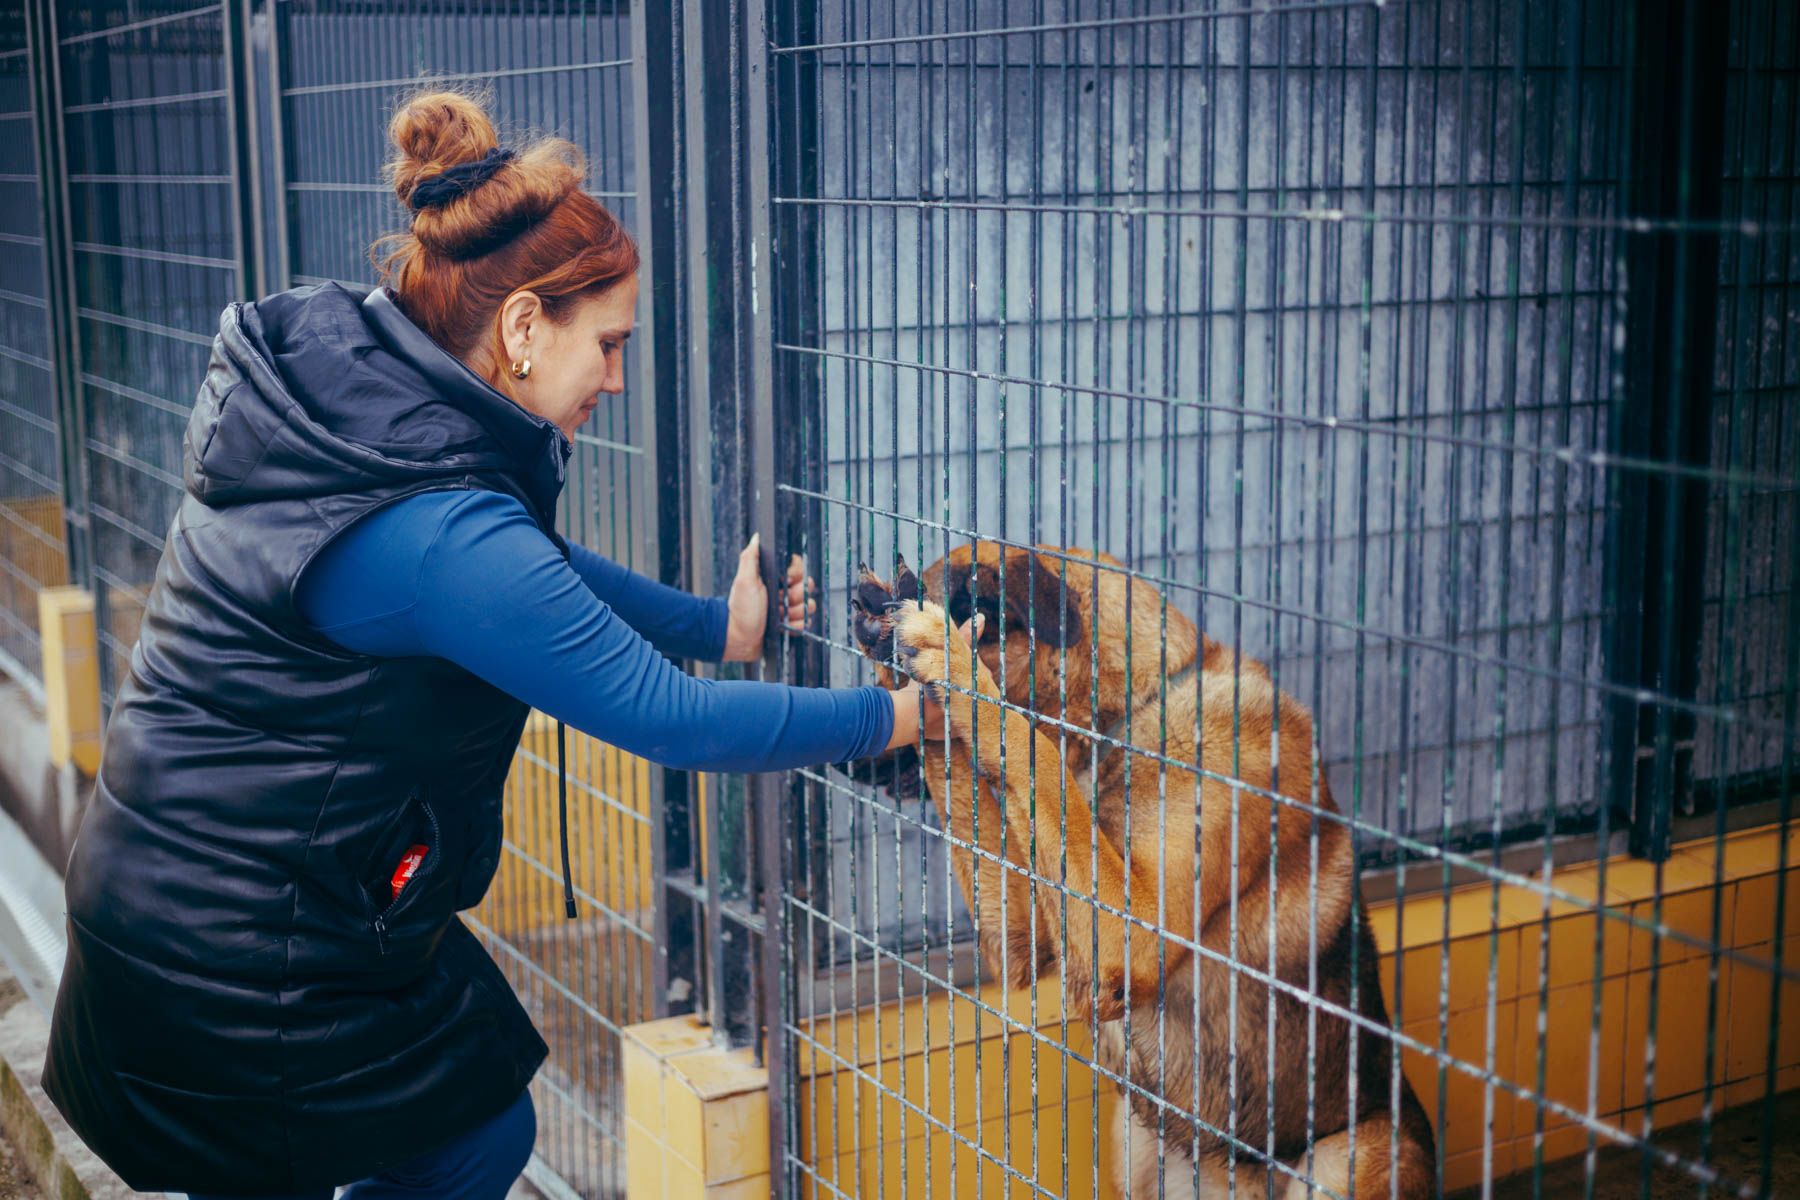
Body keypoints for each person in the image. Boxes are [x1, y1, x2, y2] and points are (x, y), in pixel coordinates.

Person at [39, 90, 935, 1199]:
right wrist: (909, 715)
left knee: (469, 1124)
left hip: (223, 892)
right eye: (608, 344)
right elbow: (672, 718)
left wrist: (722, 627)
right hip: (235, 948)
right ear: (520, 329)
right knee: (464, 1137)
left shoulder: (364, 418)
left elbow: (533, 571)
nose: (616, 379)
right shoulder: (434, 529)